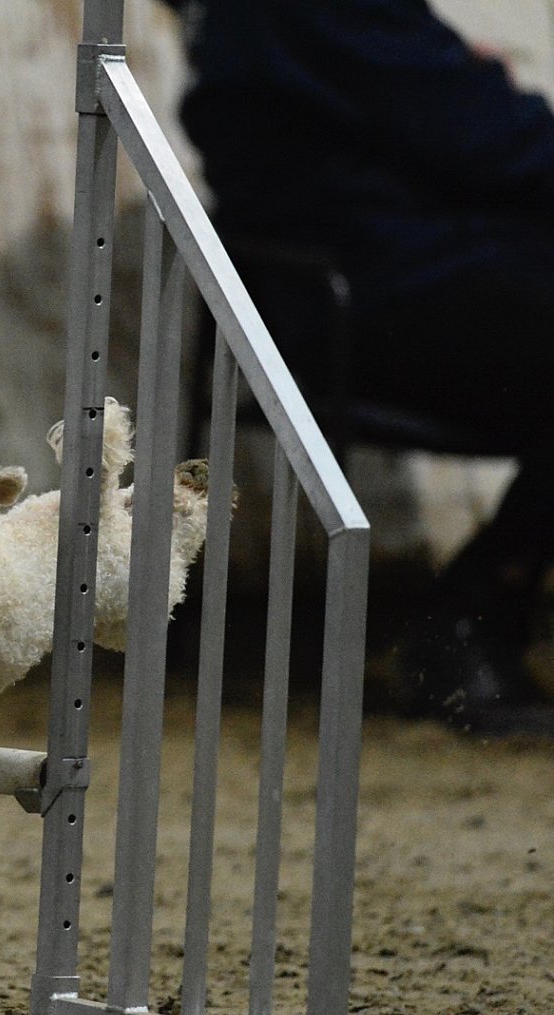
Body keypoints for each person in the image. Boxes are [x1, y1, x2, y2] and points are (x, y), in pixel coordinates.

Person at [161, 0, 554, 735]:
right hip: (383, 288)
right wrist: (480, 84)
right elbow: (487, 135)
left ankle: (479, 609)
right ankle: (466, 624)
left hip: (354, 279)